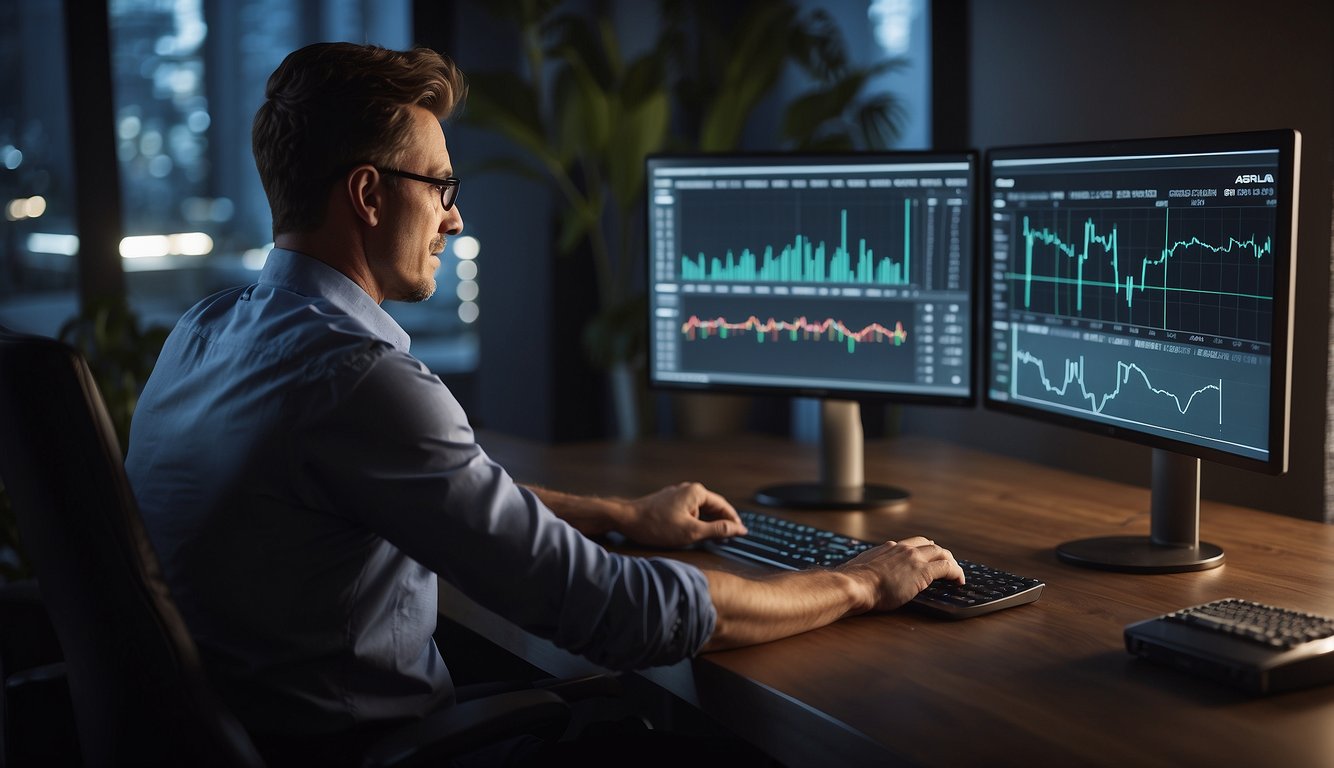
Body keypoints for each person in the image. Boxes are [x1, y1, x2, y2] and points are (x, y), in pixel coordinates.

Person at [125, 41, 963, 763]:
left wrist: (620, 513)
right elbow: (616, 614)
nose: (454, 220)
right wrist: (856, 583)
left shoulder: (205, 333)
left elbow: (437, 497)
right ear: (369, 195)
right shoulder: (357, 379)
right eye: (442, 187)